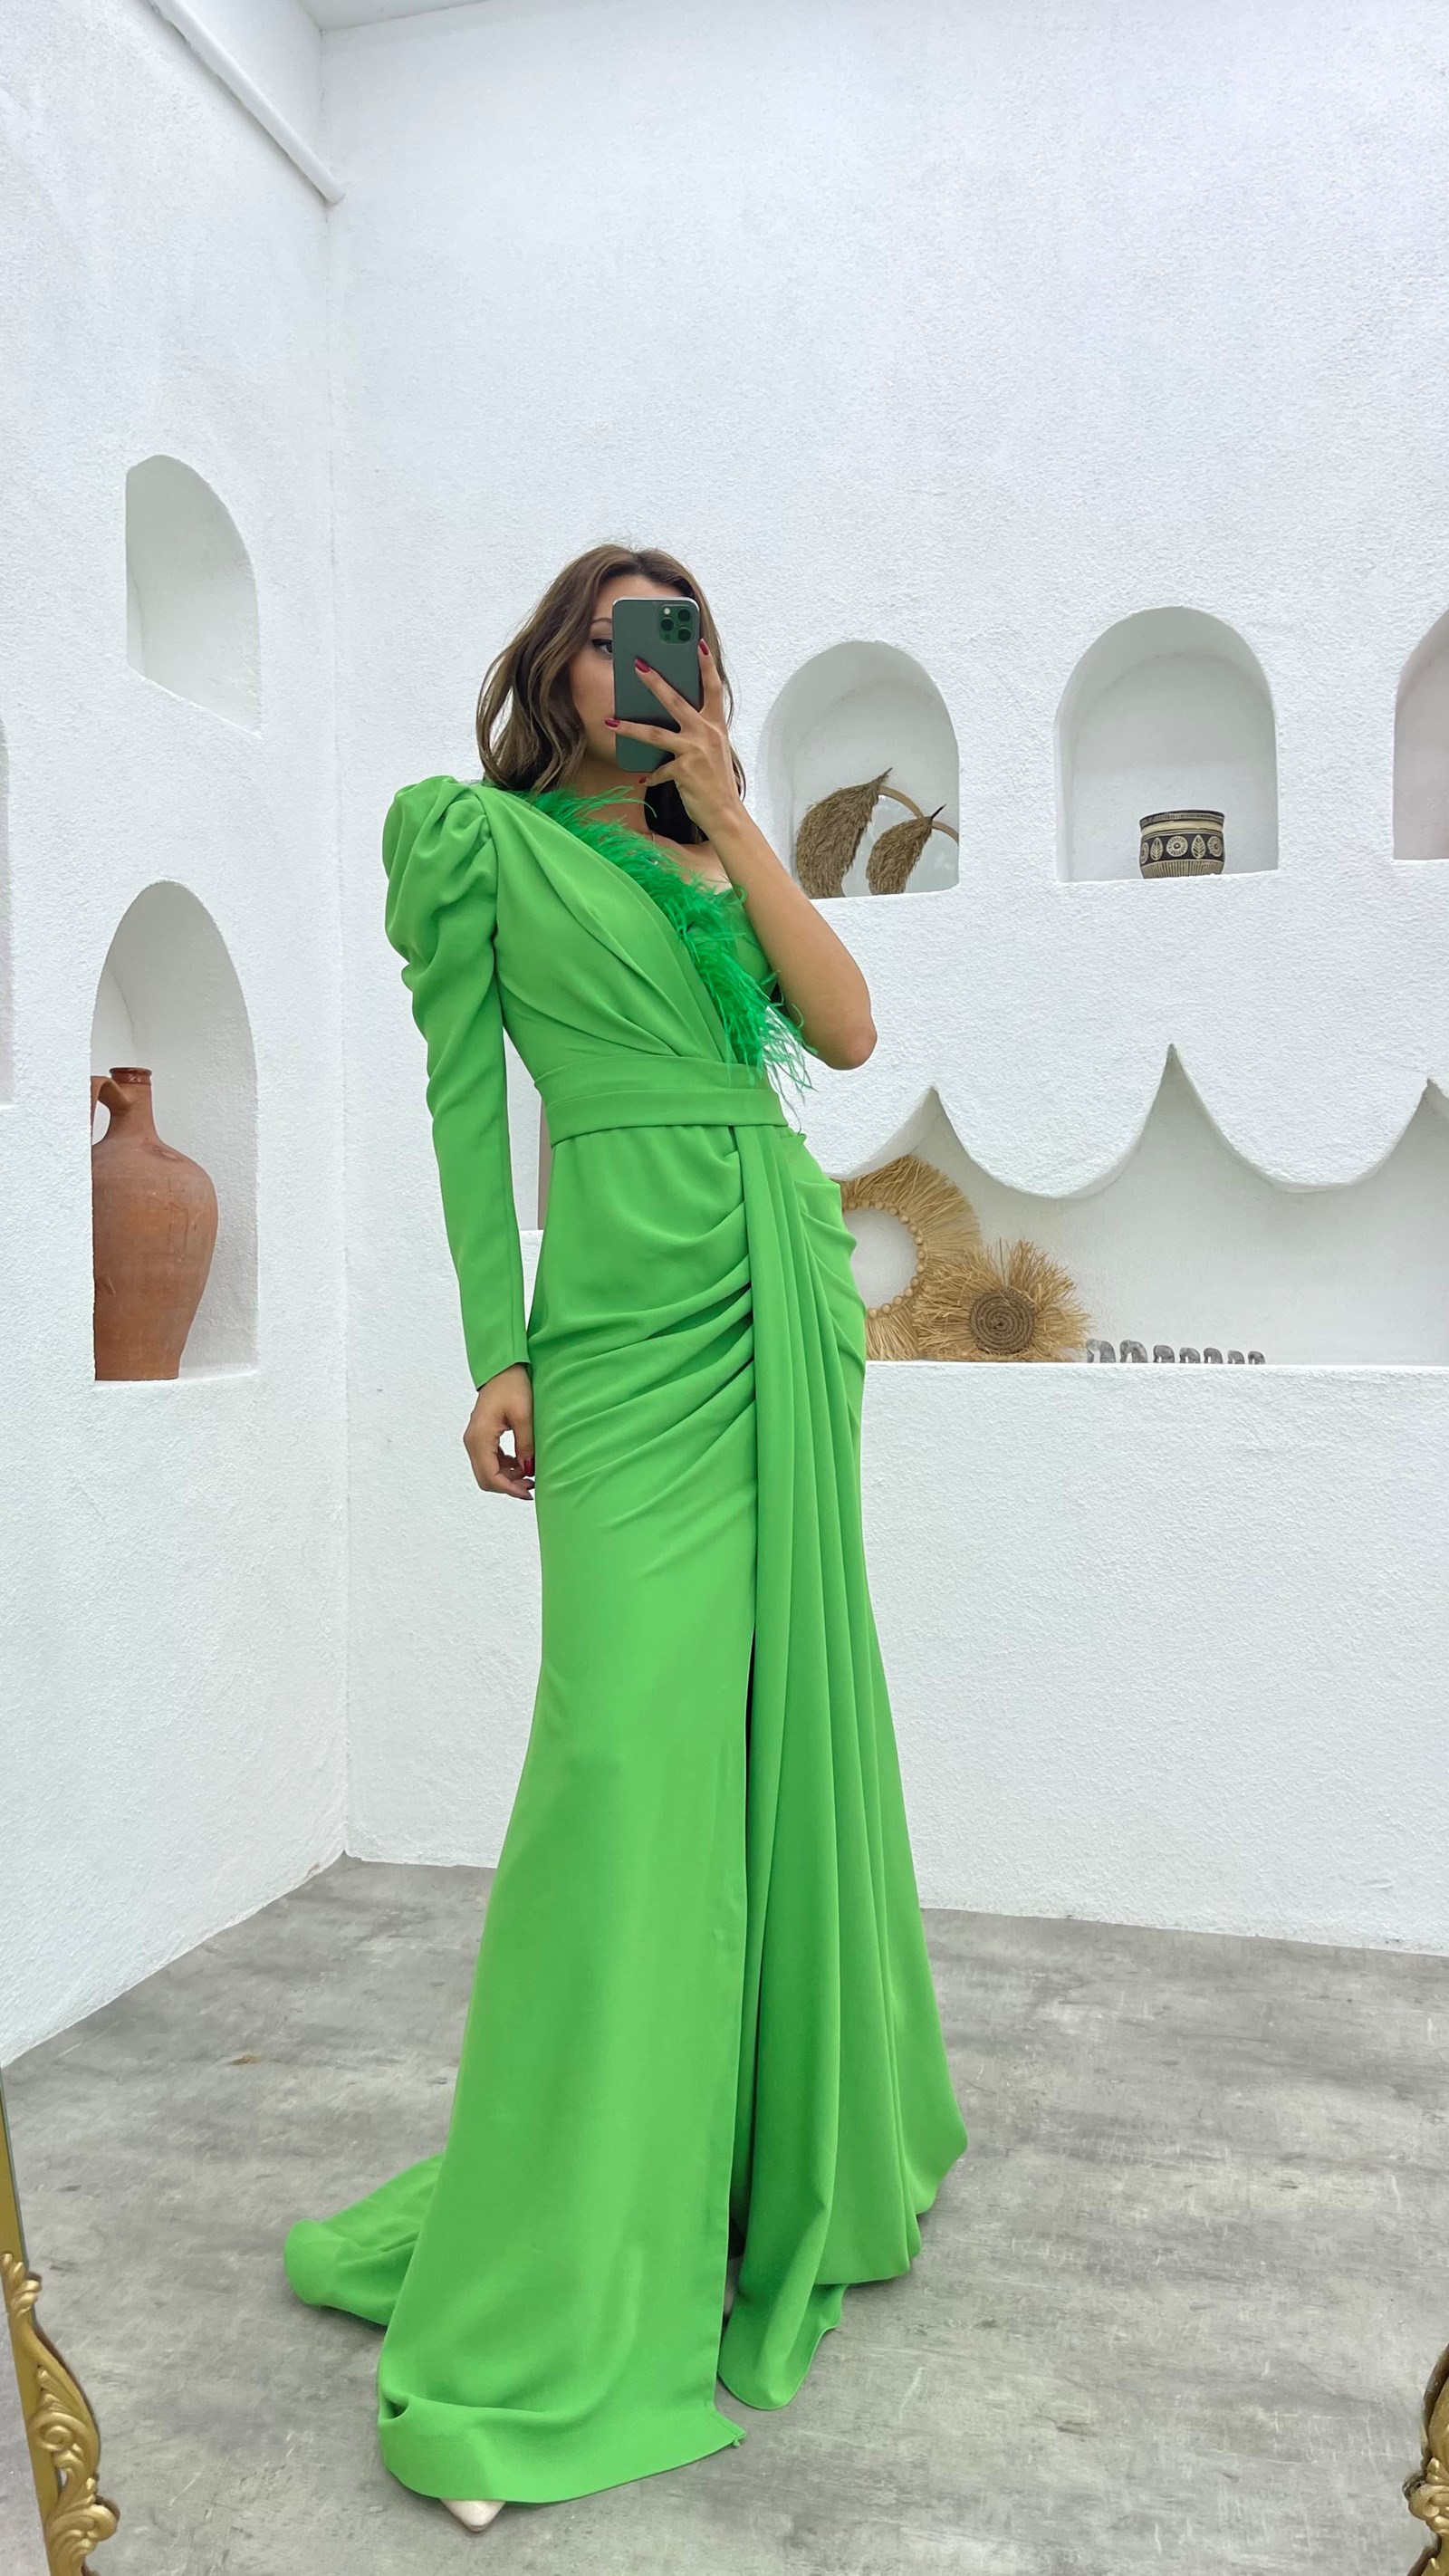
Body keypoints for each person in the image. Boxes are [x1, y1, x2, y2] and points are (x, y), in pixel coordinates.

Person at [282, 543, 968, 2535]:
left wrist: (737, 816)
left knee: (768, 1737)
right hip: (618, 1319)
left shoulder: (714, 846)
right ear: (554, 662)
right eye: (609, 632)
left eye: (675, 638)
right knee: (613, 1763)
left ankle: (746, 2168)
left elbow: (845, 1036)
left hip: (779, 1290)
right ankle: (554, 2266)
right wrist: (495, 1345)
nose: (640, 662)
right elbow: (458, 1104)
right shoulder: (476, 843)